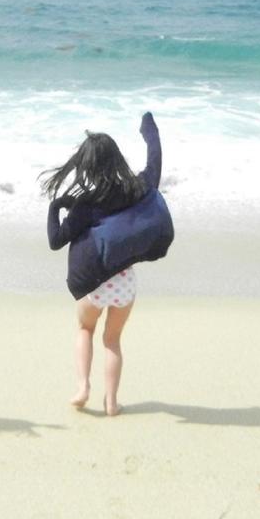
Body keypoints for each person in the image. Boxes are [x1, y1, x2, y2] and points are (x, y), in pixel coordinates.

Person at [42, 112, 167, 416]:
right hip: (124, 284)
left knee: (85, 329)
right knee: (112, 341)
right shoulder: (139, 188)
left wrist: (56, 206)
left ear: (86, 165)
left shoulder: (86, 204)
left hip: (94, 285)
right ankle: (111, 402)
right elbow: (154, 158)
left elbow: (56, 241)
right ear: (117, 159)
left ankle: (83, 387)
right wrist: (148, 128)